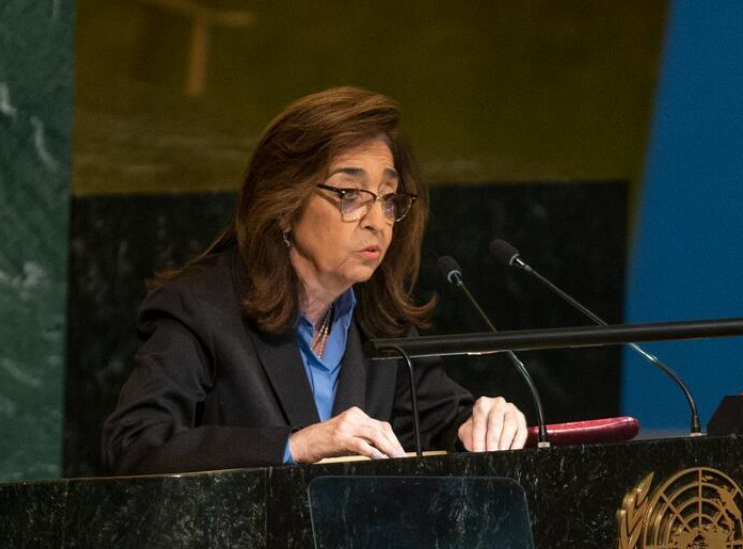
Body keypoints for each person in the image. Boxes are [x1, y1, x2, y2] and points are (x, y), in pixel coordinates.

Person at [103, 87, 527, 475]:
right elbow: (135, 443)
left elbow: (440, 420)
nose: (376, 221)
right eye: (350, 194)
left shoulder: (382, 326)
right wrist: (294, 445)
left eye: (388, 198)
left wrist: (480, 425)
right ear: (285, 205)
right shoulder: (200, 308)